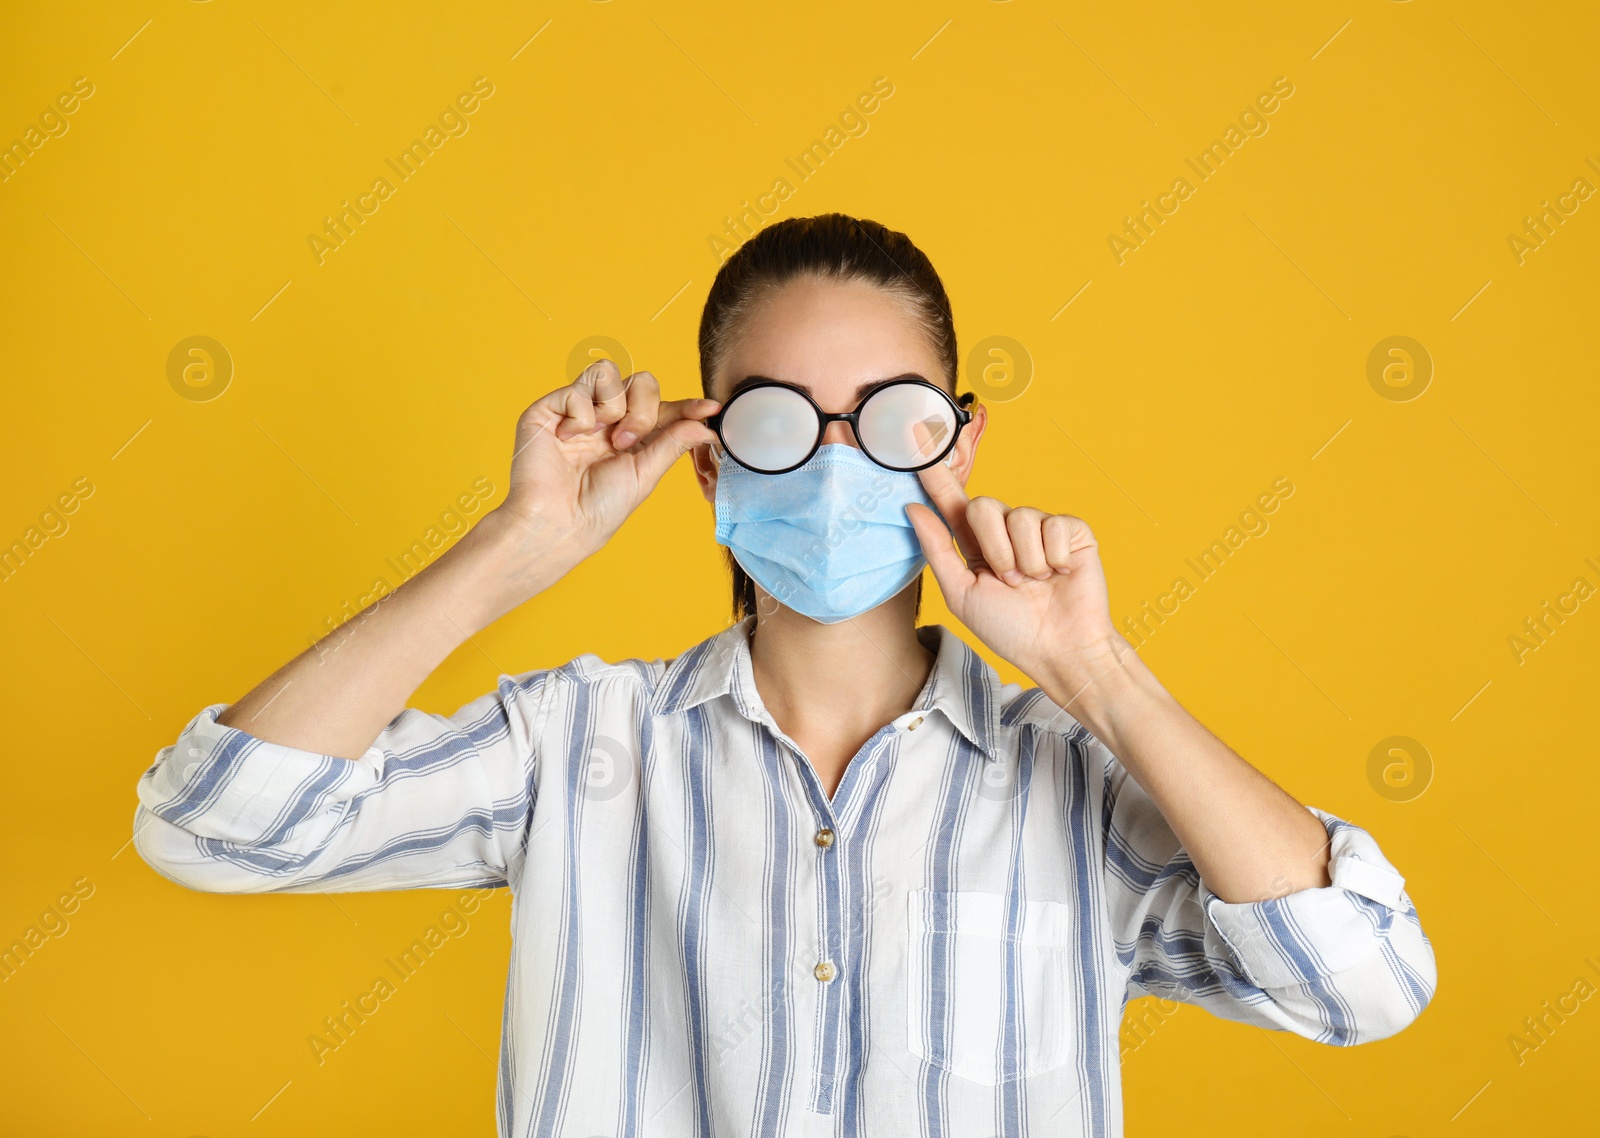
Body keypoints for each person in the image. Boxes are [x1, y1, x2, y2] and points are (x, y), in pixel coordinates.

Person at [133, 213, 1435, 1136]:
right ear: (707, 462)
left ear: (958, 444)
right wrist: (513, 549)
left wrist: (1098, 674)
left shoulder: (1077, 787)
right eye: (771, 415)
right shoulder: (576, 746)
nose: (831, 459)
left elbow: (1363, 984)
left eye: (889, 414)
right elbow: (213, 829)